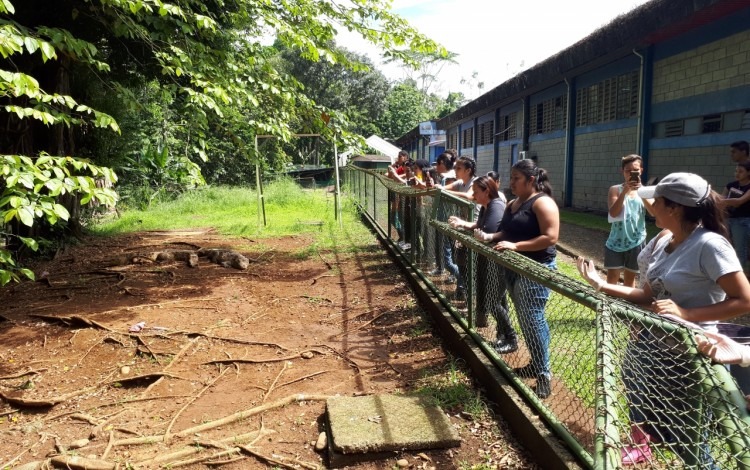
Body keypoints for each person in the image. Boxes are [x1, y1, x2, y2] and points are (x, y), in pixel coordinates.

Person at [577, 172, 750, 466]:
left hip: (689, 353)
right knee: (650, 412)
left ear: (675, 208)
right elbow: (648, 294)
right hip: (652, 343)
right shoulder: (667, 242)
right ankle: (644, 441)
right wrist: (601, 284)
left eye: (656, 201)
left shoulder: (709, 245)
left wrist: (687, 314)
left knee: (687, 441)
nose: (651, 205)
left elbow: (744, 300)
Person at [480, 159, 559, 399]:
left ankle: (544, 373)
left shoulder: (542, 202)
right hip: (513, 269)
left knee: (533, 319)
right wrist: (490, 236)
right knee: (526, 321)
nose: (511, 182)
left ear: (531, 180)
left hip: (536, 269)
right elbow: (507, 231)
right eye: (511, 177)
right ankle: (536, 363)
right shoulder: (513, 204)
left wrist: (516, 246)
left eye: (516, 178)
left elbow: (551, 237)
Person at [447, 176, 512, 340]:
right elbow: (478, 226)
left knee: (494, 300)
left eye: (476, 192)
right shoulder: (485, 205)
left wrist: (477, 235)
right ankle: (502, 333)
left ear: (487, 191)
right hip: (488, 259)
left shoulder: (496, 206)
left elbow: (487, 232)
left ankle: (509, 336)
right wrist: (462, 223)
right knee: (494, 299)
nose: (473, 195)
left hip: (496, 260)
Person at [604, 155, 653, 287]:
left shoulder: (646, 191)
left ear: (641, 170)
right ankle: (608, 305)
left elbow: (654, 212)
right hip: (615, 241)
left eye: (635, 170)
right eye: (627, 171)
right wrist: (624, 192)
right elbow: (613, 213)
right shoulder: (615, 189)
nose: (631, 174)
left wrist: (641, 191)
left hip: (637, 241)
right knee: (612, 278)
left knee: (629, 280)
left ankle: (625, 306)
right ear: (622, 171)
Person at [429, 152, 458, 277]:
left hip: (448, 218)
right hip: (442, 217)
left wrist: (438, 188)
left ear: (442, 163)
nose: (436, 167)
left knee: (447, 249)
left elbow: (448, 196)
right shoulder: (444, 177)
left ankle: (456, 273)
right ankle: (444, 269)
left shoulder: (450, 178)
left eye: (437, 163)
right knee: (443, 247)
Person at [723, 160, 750, 274]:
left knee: (740, 250)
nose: (737, 173)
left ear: (749, 173)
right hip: (728, 219)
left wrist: (724, 201)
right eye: (736, 171)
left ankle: (740, 275)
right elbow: (722, 199)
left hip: (742, 221)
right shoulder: (731, 185)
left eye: (741, 171)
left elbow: (739, 201)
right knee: (725, 246)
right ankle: (726, 272)